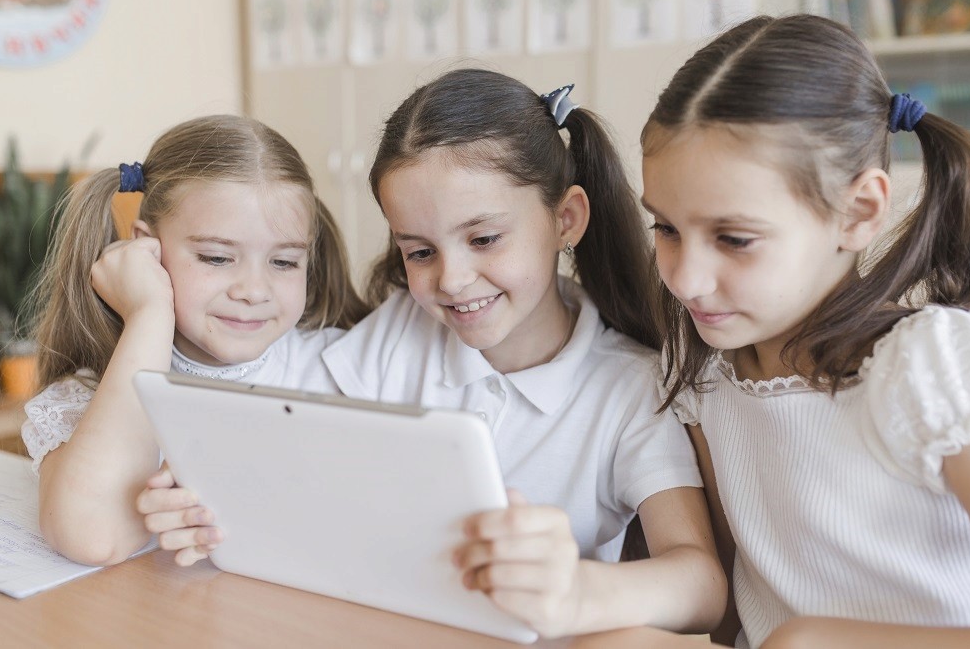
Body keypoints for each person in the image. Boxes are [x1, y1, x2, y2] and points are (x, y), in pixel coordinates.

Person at [146, 69, 726, 637]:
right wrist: (204, 494)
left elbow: (700, 586)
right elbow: (265, 405)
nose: (452, 279)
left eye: (483, 239)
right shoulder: (401, 330)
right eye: (420, 252)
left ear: (565, 219)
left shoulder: (631, 386)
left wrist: (575, 592)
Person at [640, 14, 970, 649]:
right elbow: (728, 617)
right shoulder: (701, 373)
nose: (686, 279)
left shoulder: (933, 365)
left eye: (734, 239)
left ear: (857, 213)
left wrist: (817, 641)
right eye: (665, 228)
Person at [21, 114, 367, 567]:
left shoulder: (345, 369)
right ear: (147, 249)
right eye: (217, 258)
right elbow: (92, 538)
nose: (254, 290)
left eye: (283, 263)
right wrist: (148, 313)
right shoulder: (90, 397)